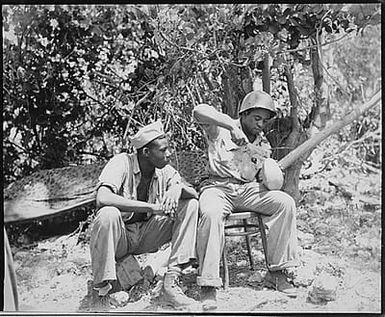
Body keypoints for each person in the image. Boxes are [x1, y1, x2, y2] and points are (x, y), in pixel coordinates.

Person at [192, 90, 300, 310]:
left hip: (247, 190)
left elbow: (265, 177)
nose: (261, 124)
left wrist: (270, 171)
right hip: (217, 187)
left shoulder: (263, 144)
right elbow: (198, 111)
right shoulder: (221, 127)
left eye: (265, 120)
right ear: (244, 114)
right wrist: (231, 127)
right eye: (256, 118)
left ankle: (277, 272)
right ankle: (208, 285)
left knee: (284, 202)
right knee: (211, 213)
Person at [89, 120, 199, 308]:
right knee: (107, 214)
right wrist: (151, 208)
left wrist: (177, 188)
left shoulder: (163, 169)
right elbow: (102, 197)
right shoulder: (122, 162)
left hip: (146, 235)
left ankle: (172, 280)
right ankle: (104, 291)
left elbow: (194, 194)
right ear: (146, 152)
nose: (169, 154)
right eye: (163, 150)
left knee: (190, 205)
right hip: (120, 238)